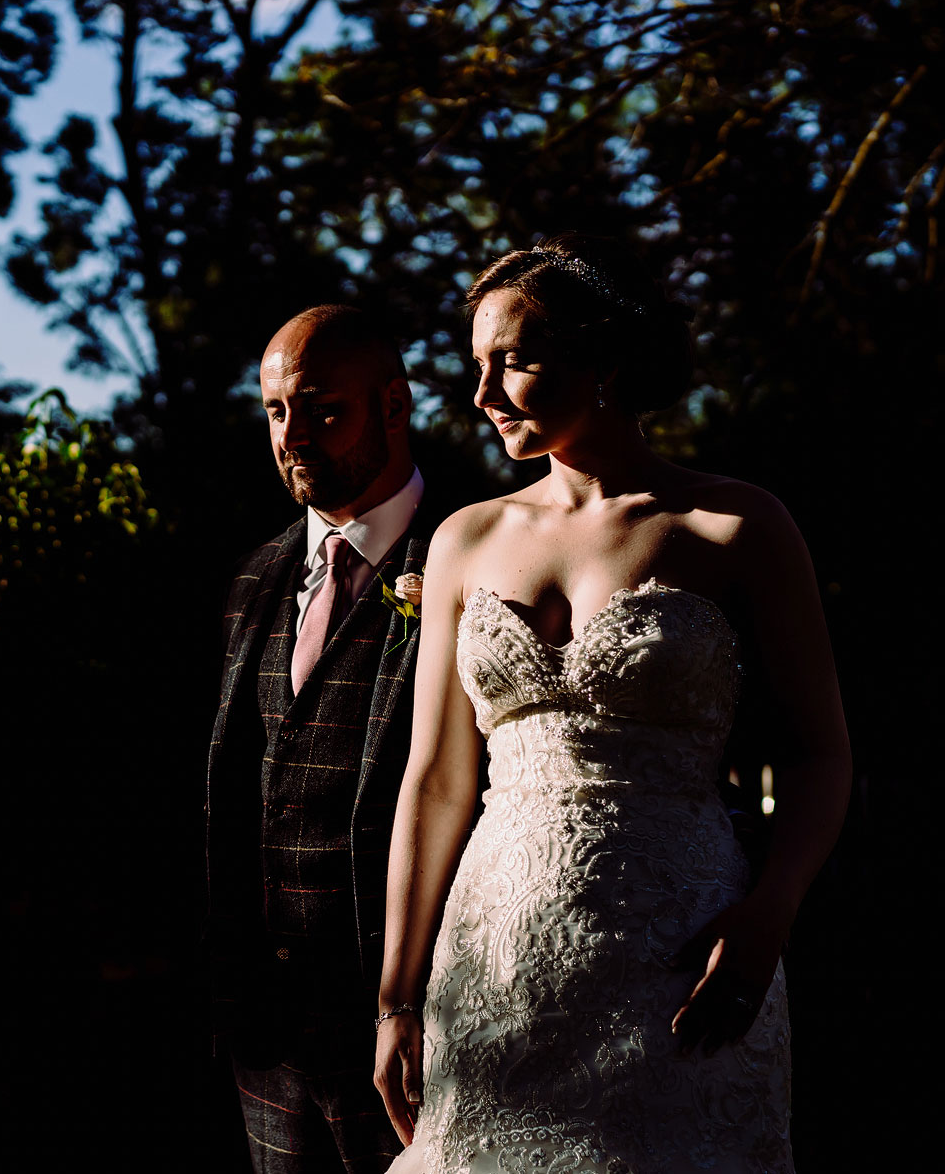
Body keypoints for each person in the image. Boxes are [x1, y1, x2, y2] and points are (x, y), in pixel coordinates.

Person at [371, 233, 852, 1174]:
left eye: (512, 361)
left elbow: (819, 752)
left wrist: (770, 913)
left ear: (603, 361)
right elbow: (433, 781)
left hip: (682, 958)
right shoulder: (466, 539)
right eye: (475, 365)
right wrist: (396, 994)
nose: (481, 393)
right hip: (492, 967)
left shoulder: (736, 525)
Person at [204, 305, 438, 1173]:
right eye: (275, 412)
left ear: (394, 405)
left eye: (322, 409)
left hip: (422, 1026)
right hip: (270, 1037)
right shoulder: (252, 577)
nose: (292, 436)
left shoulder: (471, 554)